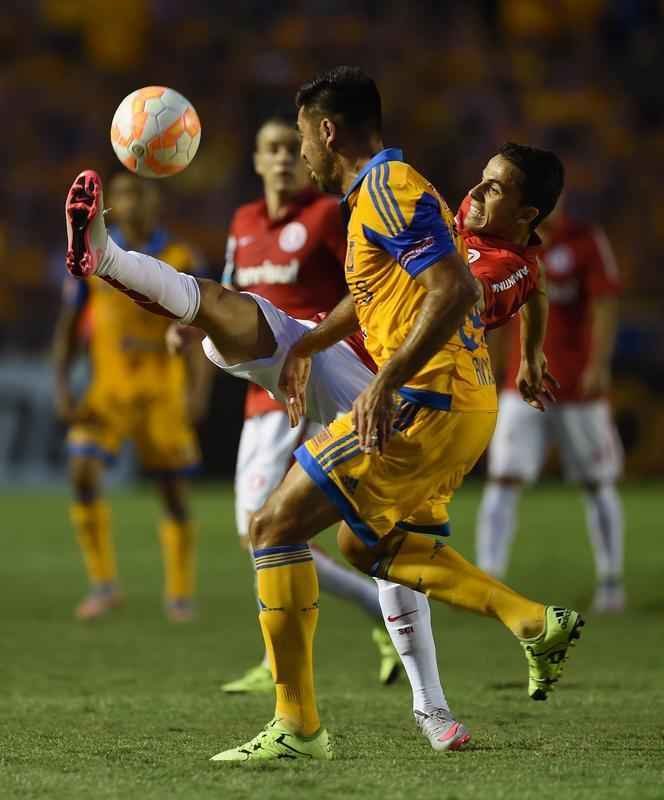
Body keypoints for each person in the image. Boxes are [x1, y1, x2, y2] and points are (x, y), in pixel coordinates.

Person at [63, 68, 582, 763]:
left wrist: (386, 382)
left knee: (274, 527)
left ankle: (302, 726)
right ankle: (512, 634)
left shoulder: (394, 197)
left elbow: (458, 288)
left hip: (415, 394)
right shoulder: (377, 200)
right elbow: (379, 293)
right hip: (406, 385)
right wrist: (311, 343)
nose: (297, 152)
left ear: (326, 131)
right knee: (371, 545)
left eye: (301, 135)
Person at [215, 117, 401, 692]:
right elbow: (228, 283)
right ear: (255, 160)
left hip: (308, 383)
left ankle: (289, 659)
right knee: (261, 530)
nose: (283, 160)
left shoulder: (324, 216)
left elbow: (363, 283)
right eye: (270, 149)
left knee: (264, 529)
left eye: (290, 149)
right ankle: (373, 613)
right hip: (259, 389)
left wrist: (320, 343)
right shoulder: (243, 221)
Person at [54, 173, 209, 622]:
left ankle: (179, 595)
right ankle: (103, 585)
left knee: (173, 492)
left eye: (138, 193)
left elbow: (198, 329)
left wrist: (198, 388)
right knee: (81, 473)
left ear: (154, 201)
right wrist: (64, 386)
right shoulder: (92, 256)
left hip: (163, 389)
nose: (129, 201)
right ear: (112, 205)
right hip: (109, 388)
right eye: (121, 194)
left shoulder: (181, 256)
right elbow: (68, 327)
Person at [476, 199, 624, 612]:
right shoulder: (507, 244)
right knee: (504, 478)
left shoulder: (584, 240)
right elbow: (495, 313)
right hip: (518, 385)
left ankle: (611, 583)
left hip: (578, 386)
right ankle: (489, 578)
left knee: (597, 482)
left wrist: (599, 364)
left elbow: (605, 303)